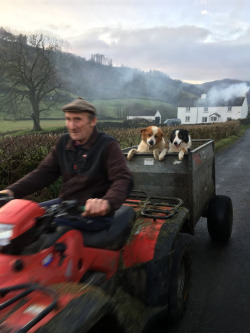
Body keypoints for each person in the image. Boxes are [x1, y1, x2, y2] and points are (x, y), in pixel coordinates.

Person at [0, 97, 133, 231]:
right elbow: (43, 173)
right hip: (65, 205)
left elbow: (122, 178)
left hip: (93, 213)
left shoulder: (107, 145)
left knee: (42, 230)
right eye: (68, 119)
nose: (71, 126)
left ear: (93, 121)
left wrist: (107, 202)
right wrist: (11, 192)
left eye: (77, 119)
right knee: (21, 219)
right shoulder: (64, 142)